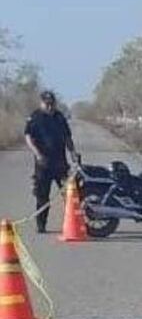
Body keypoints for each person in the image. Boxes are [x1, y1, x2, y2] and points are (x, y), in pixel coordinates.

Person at [24, 90, 78, 233]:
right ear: (41, 103)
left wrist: (73, 153)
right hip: (43, 164)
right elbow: (28, 137)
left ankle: (72, 224)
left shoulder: (59, 117)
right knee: (42, 197)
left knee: (70, 194)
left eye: (52, 104)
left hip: (60, 163)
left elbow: (67, 137)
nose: (49, 107)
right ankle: (41, 225)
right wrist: (37, 153)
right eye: (47, 104)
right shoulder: (35, 117)